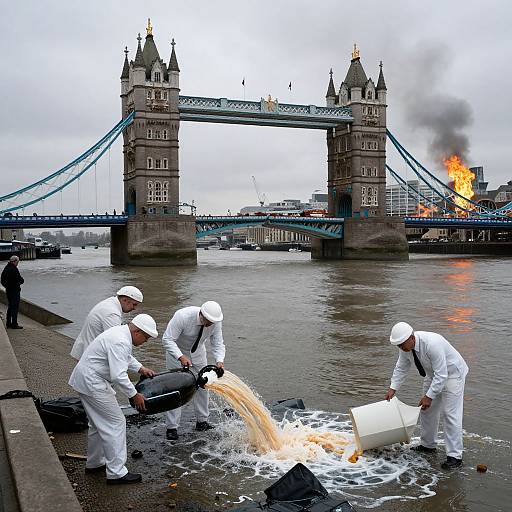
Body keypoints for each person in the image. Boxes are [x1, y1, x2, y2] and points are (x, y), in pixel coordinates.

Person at [68, 314, 158, 485]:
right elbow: (118, 375)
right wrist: (134, 394)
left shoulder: (120, 333)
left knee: (97, 424)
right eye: (145, 337)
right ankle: (116, 473)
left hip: (86, 379)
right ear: (137, 331)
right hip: (93, 382)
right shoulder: (121, 341)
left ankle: (95, 462)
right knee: (116, 423)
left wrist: (141, 368)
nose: (145, 341)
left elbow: (125, 358)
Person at [385, 322, 469, 470]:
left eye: (402, 344)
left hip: (452, 374)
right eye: (398, 345)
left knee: (450, 414)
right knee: (426, 410)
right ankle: (428, 445)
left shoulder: (432, 344)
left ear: (412, 338)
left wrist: (429, 396)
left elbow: (442, 375)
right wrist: (393, 388)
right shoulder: (404, 347)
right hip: (433, 374)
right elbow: (402, 367)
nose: (401, 348)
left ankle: (455, 457)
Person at [162, 301, 225, 441]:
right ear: (201, 315)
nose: (209, 325)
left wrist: (219, 360)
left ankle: (202, 421)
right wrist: (180, 357)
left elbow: (218, 343)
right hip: (177, 354)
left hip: (198, 354)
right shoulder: (182, 316)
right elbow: (167, 340)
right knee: (175, 390)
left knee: (203, 386)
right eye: (207, 322)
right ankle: (171, 428)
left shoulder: (216, 322)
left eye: (212, 323)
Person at [70, 286, 143, 361]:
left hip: (86, 349)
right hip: (90, 356)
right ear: (124, 300)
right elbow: (116, 342)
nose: (135, 308)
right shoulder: (111, 313)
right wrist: (137, 366)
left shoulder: (110, 303)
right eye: (134, 304)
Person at [1, 255, 24, 329]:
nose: (18, 263)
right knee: (15, 307)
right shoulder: (14, 269)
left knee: (10, 307)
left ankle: (8, 323)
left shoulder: (6, 268)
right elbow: (20, 279)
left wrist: (7, 286)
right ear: (15, 261)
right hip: (15, 291)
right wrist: (18, 283)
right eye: (17, 262)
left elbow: (2, 280)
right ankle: (14, 324)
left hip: (8, 290)